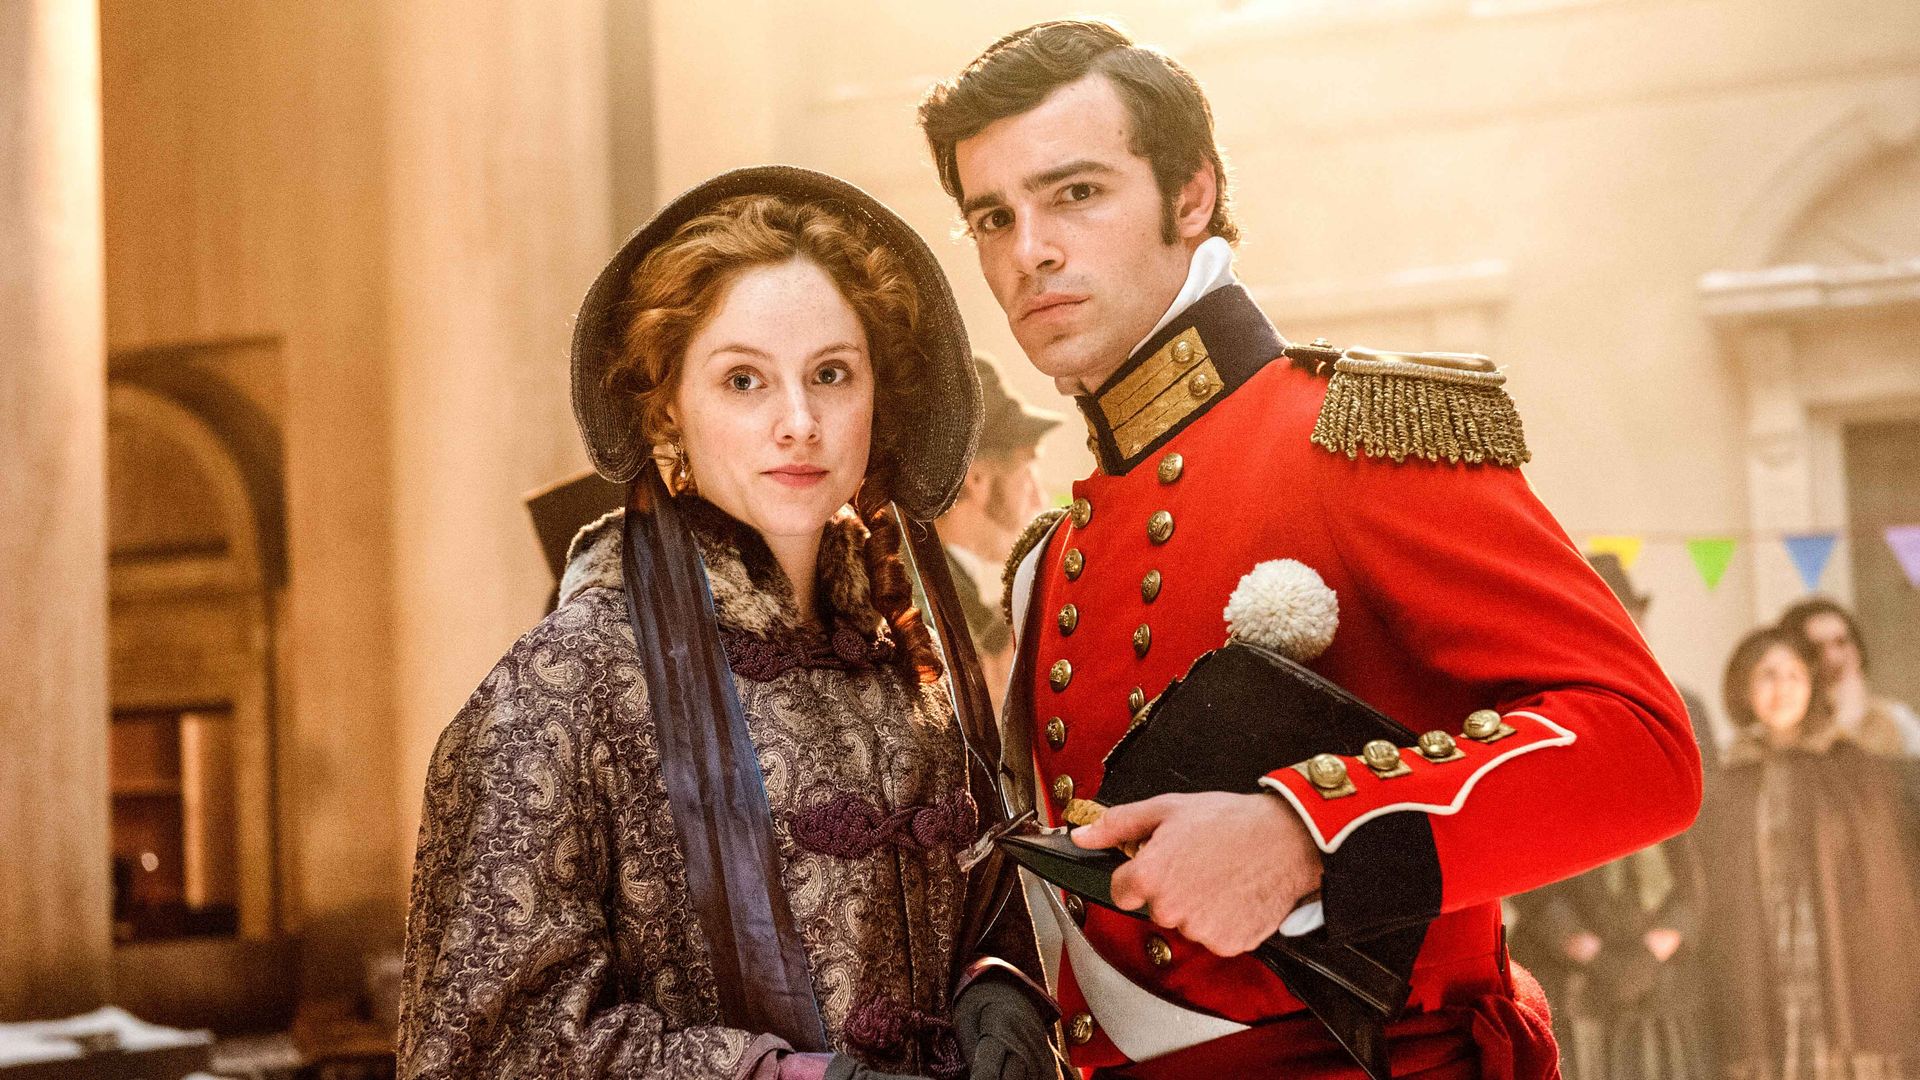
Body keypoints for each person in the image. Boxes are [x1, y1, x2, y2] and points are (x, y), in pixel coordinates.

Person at [917, 21, 1699, 1078]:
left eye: (1077, 193)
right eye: (992, 218)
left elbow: (1644, 749)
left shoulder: (1356, 434)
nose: (1030, 251)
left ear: (1192, 196)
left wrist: (1304, 836)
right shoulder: (1051, 557)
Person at [399, 168, 1058, 1080]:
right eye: (744, 380)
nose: (799, 422)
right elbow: (485, 1051)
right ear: (669, 404)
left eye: (831, 374)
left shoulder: (904, 669)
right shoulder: (561, 688)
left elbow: (977, 905)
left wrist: (998, 988)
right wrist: (776, 1077)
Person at [1507, 553, 1714, 1080]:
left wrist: (1672, 933)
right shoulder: (1536, 714)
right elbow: (1521, 834)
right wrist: (1580, 945)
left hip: (1665, 959)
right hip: (1568, 962)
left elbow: (1707, 835)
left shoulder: (1684, 710)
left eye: (1624, 618)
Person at [1697, 626, 1920, 1080]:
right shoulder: (1726, 778)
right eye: (1767, 675)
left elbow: (1886, 884)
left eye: (1794, 675)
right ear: (1744, 687)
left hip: (1838, 950)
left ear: (1812, 685)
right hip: (1761, 950)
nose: (1781, 688)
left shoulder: (1853, 767)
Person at [940, 355, 1062, 714]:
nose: (1039, 499)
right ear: (976, 480)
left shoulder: (950, 588)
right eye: (1027, 472)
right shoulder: (930, 606)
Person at [1778, 595, 1920, 758]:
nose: (1833, 658)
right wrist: (1845, 722)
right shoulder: (1782, 727)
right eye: (1816, 648)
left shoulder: (1895, 718)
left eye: (1841, 642)